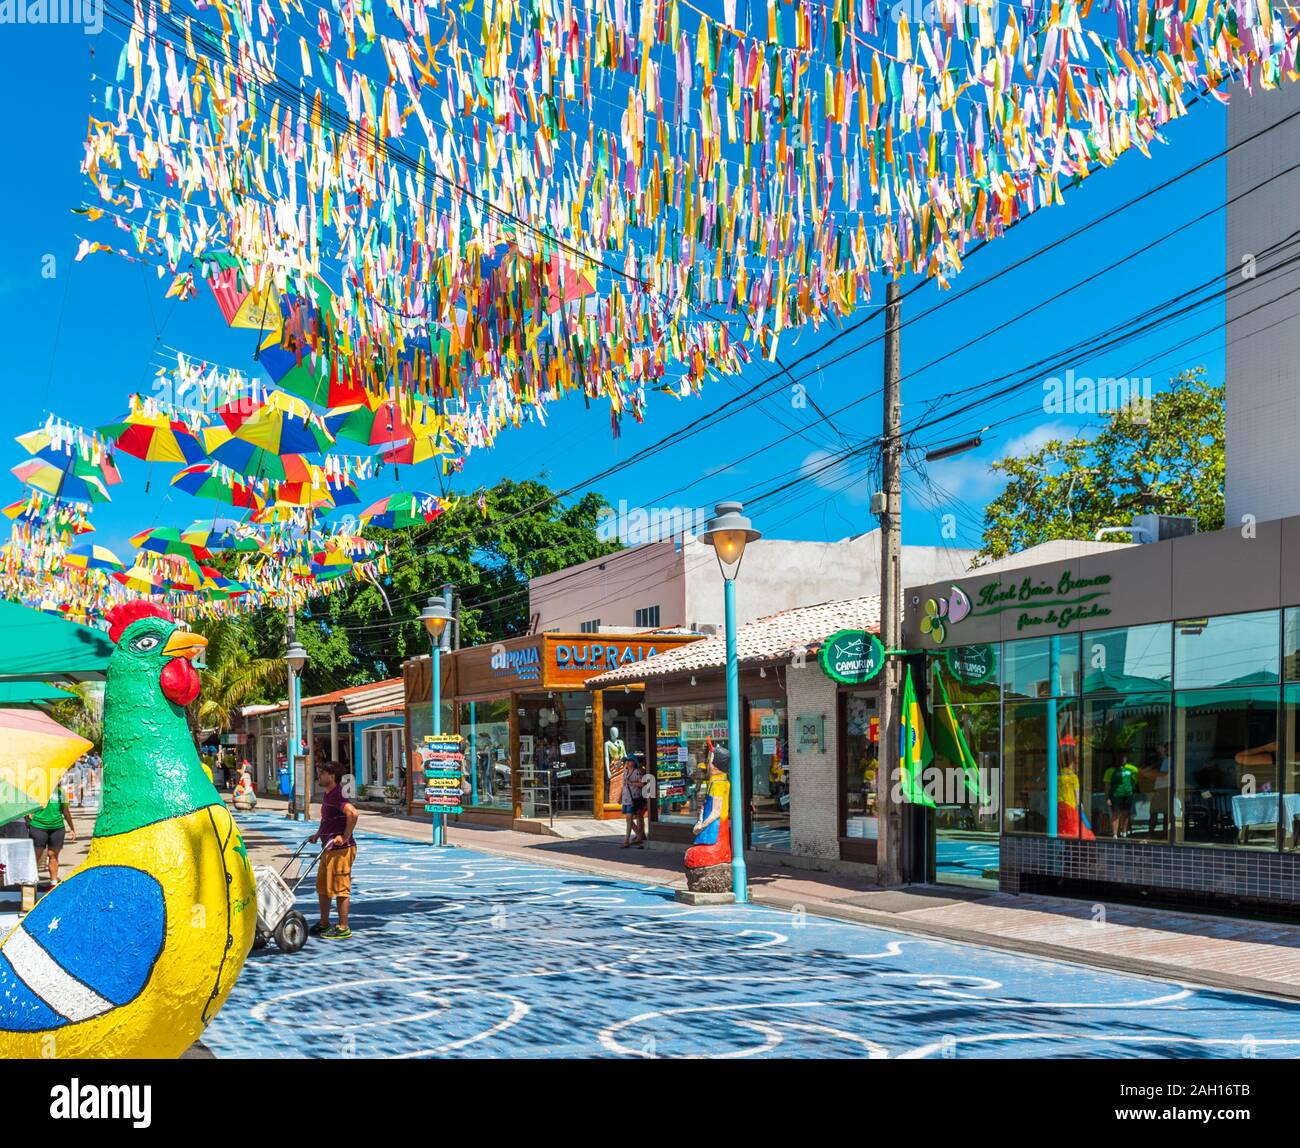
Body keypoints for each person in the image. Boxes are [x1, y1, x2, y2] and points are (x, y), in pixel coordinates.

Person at [309, 762, 358, 940]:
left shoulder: (338, 794)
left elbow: (352, 814)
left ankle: (343, 926)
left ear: (332, 776)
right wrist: (317, 834)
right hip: (327, 847)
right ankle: (324, 922)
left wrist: (344, 837)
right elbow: (326, 818)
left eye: (322, 773)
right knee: (322, 887)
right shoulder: (328, 794)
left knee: (341, 888)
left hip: (341, 849)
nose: (319, 775)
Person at [27, 784, 77, 887]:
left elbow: (66, 811)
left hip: (57, 827)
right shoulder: (35, 789)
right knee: (37, 855)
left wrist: (72, 828)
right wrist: (28, 817)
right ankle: (31, 882)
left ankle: (53, 884)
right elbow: (26, 806)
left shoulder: (60, 792)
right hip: (38, 826)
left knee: (53, 855)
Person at [621, 756, 645, 848]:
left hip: (633, 798)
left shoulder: (637, 772)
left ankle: (626, 840)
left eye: (629, 761)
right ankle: (639, 836)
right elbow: (623, 785)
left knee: (629, 818)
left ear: (634, 762)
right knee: (628, 819)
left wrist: (631, 783)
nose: (627, 762)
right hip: (625, 798)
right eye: (626, 761)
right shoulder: (625, 772)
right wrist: (620, 797)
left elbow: (642, 784)